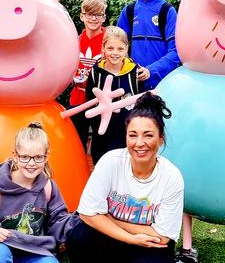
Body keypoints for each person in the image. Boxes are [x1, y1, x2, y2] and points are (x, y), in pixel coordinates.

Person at [66, 92, 184, 263]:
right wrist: (130, 238)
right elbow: (87, 215)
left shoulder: (171, 177)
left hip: (147, 245)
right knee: (79, 238)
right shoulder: (110, 161)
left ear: (160, 139)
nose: (139, 143)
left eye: (148, 135)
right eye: (133, 135)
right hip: (113, 236)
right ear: (126, 137)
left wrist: (109, 218)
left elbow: (163, 236)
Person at [0, 123, 80, 263]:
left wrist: (81, 217)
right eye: (25, 157)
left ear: (46, 157)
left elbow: (58, 222)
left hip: (34, 249)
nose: (31, 163)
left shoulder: (48, 187)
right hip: (1, 247)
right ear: (15, 156)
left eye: (38, 157)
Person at [117, 0, 180, 89]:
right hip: (133, 87)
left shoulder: (167, 11)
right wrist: (130, 69)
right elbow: (116, 48)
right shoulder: (128, 11)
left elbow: (176, 52)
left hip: (163, 86)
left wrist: (150, 71)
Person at [85, 26, 144, 164]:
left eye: (120, 49)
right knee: (102, 169)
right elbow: (89, 101)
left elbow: (143, 103)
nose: (115, 53)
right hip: (102, 136)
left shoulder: (135, 72)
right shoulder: (96, 72)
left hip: (128, 135)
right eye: (110, 48)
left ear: (126, 49)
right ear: (103, 48)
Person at [68, 0, 107, 151]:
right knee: (76, 145)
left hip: (102, 102)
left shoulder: (109, 42)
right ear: (81, 16)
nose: (93, 19)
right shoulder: (73, 40)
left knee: (101, 145)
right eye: (89, 14)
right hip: (77, 100)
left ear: (104, 17)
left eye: (98, 15)